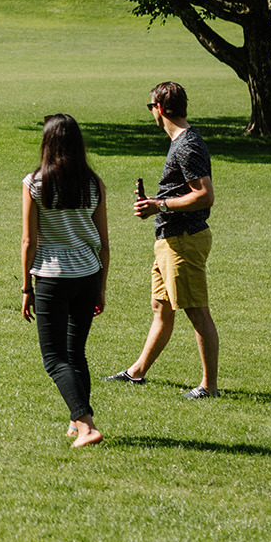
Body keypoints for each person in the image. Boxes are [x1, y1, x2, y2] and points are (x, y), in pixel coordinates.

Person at [106, 80, 219, 397]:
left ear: (159, 109)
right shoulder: (182, 142)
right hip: (170, 238)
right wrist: (154, 204)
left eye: (150, 107)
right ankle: (136, 372)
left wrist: (160, 204)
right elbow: (185, 192)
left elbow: (205, 195)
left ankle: (209, 387)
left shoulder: (187, 145)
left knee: (197, 310)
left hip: (184, 240)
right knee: (161, 307)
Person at [21, 114, 110, 448]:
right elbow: (103, 243)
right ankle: (76, 422)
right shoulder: (93, 184)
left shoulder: (35, 183)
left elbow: (29, 241)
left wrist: (26, 287)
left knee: (54, 358)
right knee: (76, 354)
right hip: (88, 274)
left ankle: (86, 425)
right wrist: (101, 286)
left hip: (51, 276)